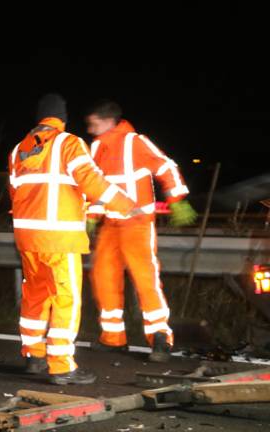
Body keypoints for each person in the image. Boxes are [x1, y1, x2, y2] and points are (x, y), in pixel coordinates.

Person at [9, 94, 137, 385]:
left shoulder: (19, 149)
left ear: (40, 117)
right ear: (62, 118)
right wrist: (124, 205)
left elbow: (16, 192)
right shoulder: (68, 143)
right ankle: (62, 366)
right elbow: (91, 182)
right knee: (65, 299)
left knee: (35, 295)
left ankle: (33, 355)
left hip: (27, 238)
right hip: (59, 238)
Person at [85, 100, 196, 363]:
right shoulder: (97, 146)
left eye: (94, 123)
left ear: (109, 120)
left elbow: (165, 167)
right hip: (110, 226)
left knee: (145, 280)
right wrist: (91, 216)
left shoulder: (135, 142)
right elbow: (96, 187)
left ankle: (160, 338)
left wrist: (177, 199)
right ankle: (113, 339)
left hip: (137, 223)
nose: (91, 129)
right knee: (103, 278)